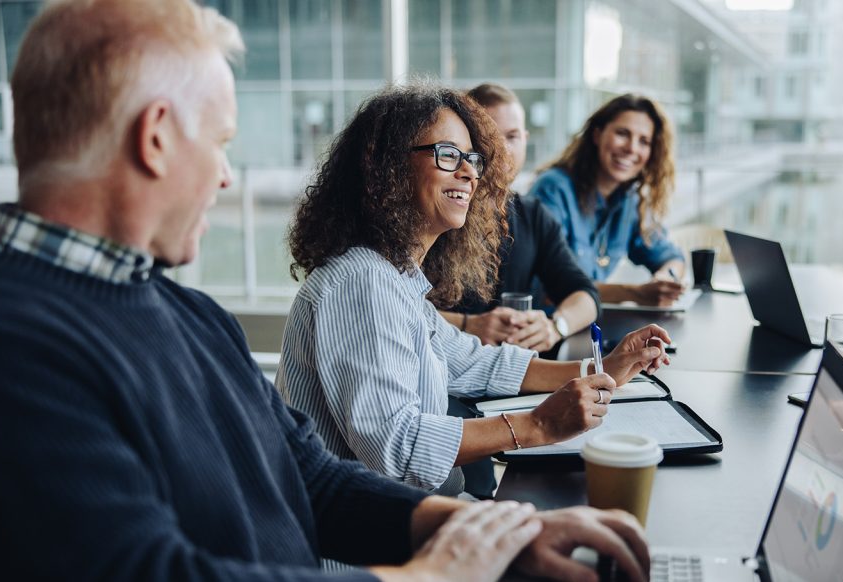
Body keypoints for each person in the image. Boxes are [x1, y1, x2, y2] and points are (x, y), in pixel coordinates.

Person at [0, 1, 653, 580]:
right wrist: (432, 575)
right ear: (156, 137)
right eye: (221, 143)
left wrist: (493, 532)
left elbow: (313, 478)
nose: (224, 177)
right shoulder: (12, 345)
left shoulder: (190, 315)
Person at [277, 82, 672, 497]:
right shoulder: (361, 282)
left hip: (409, 518)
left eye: (471, 158)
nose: (468, 171)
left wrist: (601, 369)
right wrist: (539, 425)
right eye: (448, 155)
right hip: (365, 549)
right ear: (387, 168)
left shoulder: (394, 277)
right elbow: (398, 448)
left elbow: (475, 364)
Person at [437, 83, 599, 354]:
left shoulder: (532, 215)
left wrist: (555, 326)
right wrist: (467, 325)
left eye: (511, 137)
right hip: (449, 374)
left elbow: (586, 295)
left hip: (518, 376)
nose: (501, 150)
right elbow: (397, 305)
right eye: (488, 138)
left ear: (525, 139)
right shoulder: (440, 211)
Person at [528, 93, 686, 307]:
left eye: (644, 141)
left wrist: (666, 279)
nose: (631, 148)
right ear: (597, 135)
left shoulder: (630, 200)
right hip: (546, 328)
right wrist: (635, 293)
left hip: (589, 324)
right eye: (622, 133)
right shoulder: (553, 189)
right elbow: (550, 290)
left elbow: (670, 256)